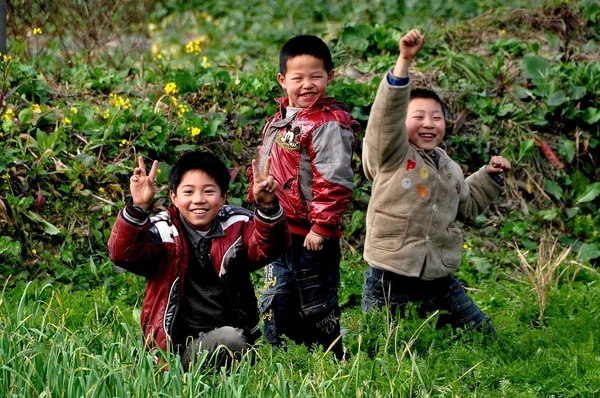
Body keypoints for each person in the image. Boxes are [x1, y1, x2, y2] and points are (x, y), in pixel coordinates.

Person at [361, 29, 511, 336]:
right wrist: (404, 61)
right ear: (401, 123)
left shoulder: (449, 167)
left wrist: (490, 176)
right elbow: (385, 117)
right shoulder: (391, 153)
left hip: (437, 276)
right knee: (380, 346)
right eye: (418, 116)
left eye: (436, 117)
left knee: (483, 337)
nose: (428, 123)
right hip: (389, 275)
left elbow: (466, 207)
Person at [108, 151, 290, 370]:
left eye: (208, 191)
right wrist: (138, 208)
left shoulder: (237, 225)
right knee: (230, 341)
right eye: (189, 192)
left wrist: (267, 207)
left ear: (222, 197)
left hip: (228, 335)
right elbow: (122, 254)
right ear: (174, 198)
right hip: (174, 348)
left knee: (230, 340)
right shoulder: (162, 231)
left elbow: (270, 247)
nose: (198, 200)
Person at [247, 35, 361, 358]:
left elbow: (335, 180)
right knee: (275, 296)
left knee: (317, 303)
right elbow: (269, 167)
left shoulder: (327, 124)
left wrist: (323, 227)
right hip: (279, 229)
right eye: (298, 78)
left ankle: (332, 358)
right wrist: (258, 199)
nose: (307, 85)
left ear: (330, 77)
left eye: (316, 77)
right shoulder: (280, 119)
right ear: (283, 80)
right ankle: (278, 357)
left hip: (311, 236)